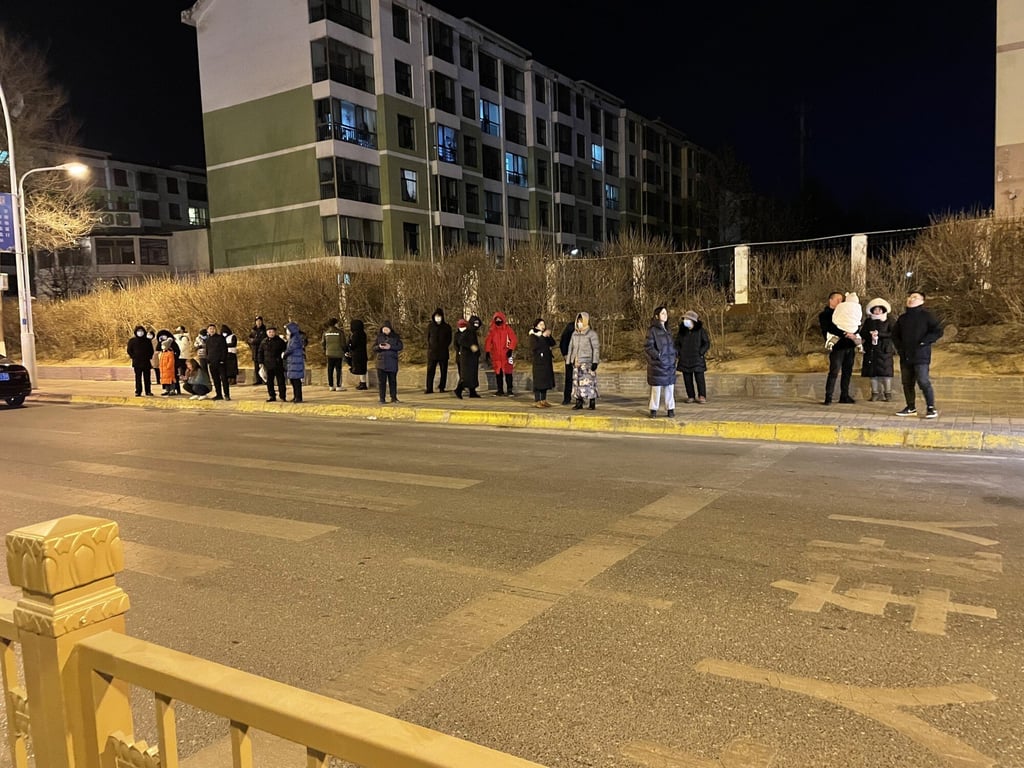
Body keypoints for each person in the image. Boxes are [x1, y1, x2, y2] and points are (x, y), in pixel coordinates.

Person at [893, 290, 943, 419]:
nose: (910, 299)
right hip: (905, 355)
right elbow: (895, 335)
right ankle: (910, 407)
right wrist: (900, 348)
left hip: (921, 355)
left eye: (914, 297)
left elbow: (937, 331)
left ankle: (931, 407)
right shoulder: (903, 318)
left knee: (923, 380)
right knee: (907, 382)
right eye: (909, 297)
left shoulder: (927, 316)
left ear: (922, 301)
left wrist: (924, 342)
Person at [819, 291, 859, 405]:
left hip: (849, 345)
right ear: (830, 300)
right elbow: (829, 328)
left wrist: (853, 333)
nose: (840, 302)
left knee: (847, 372)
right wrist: (845, 333)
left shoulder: (847, 313)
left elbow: (854, 323)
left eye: (841, 300)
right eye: (837, 300)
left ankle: (844, 395)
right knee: (834, 371)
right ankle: (828, 396)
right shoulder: (825, 314)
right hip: (837, 347)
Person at [860, 298, 896, 401]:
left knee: (886, 373)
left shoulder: (889, 320)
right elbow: (862, 333)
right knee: (872, 373)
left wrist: (879, 334)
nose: (877, 311)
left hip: (884, 349)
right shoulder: (868, 321)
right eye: (875, 309)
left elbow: (893, 333)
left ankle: (888, 393)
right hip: (871, 350)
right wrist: (870, 334)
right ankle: (874, 393)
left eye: (880, 309)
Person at [645, 306, 677, 418]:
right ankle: (653, 409)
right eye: (663, 313)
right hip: (658, 365)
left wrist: (674, 357)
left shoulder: (668, 330)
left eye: (666, 313)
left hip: (669, 364)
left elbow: (672, 346)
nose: (665, 315)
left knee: (670, 388)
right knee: (656, 389)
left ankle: (670, 409)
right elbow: (649, 347)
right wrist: (658, 356)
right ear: (657, 316)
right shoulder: (652, 330)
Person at [675, 309, 711, 404]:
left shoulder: (700, 331)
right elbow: (677, 344)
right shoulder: (682, 332)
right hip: (684, 358)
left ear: (693, 321)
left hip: (697, 358)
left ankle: (702, 396)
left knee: (699, 378)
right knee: (687, 379)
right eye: (684, 319)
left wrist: (701, 352)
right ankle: (690, 396)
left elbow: (706, 343)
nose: (685, 321)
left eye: (687, 319)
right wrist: (679, 352)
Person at [566, 311, 600, 410]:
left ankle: (592, 402)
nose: (579, 323)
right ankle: (578, 402)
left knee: (588, 382)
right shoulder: (574, 334)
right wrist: (569, 361)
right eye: (578, 321)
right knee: (576, 383)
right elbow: (570, 347)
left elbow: (596, 348)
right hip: (576, 362)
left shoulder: (591, 334)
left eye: (581, 321)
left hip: (587, 362)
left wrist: (595, 361)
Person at [484, 311, 518, 396]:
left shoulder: (507, 329)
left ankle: (509, 389)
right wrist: (487, 351)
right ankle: (500, 390)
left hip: (506, 354)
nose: (498, 321)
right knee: (498, 373)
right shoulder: (492, 330)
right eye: (497, 319)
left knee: (508, 372)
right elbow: (488, 341)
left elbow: (513, 339)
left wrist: (510, 349)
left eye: (500, 319)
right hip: (496, 355)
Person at [373, 320, 404, 403]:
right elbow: (374, 348)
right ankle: (382, 398)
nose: (385, 330)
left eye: (387, 329)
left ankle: (393, 397)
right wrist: (379, 347)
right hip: (381, 363)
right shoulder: (379, 337)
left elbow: (400, 346)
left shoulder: (395, 337)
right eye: (384, 329)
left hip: (392, 362)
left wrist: (390, 347)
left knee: (392, 381)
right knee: (381, 382)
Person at [529, 319, 556, 407]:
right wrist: (542, 336)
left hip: (546, 361)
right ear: (536, 325)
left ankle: (544, 399)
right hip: (538, 361)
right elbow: (535, 347)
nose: (542, 326)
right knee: (538, 380)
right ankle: (537, 400)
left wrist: (549, 336)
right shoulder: (533, 335)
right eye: (541, 324)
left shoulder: (545, 335)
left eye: (543, 324)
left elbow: (553, 343)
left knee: (545, 380)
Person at [454, 316, 483, 399]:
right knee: (467, 376)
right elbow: (461, 341)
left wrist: (477, 353)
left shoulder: (472, 332)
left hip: (472, 357)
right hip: (467, 357)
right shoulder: (468, 331)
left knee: (473, 375)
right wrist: (471, 346)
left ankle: (472, 392)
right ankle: (458, 390)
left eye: (477, 324)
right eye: (475, 323)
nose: (476, 325)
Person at [425, 308, 452, 394]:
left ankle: (442, 387)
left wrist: (444, 346)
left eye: (439, 316)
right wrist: (430, 346)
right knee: (430, 371)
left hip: (443, 352)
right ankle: (429, 388)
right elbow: (427, 337)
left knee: (443, 371)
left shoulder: (447, 327)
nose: (438, 318)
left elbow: (449, 339)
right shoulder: (430, 326)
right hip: (432, 352)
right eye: (436, 316)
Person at [259, 325, 287, 402]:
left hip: (278, 364)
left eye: (273, 332)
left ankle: (283, 395)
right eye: (269, 332)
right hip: (268, 364)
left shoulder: (280, 341)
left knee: (281, 381)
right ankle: (272, 395)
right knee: (269, 381)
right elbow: (260, 352)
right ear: (267, 332)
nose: (271, 333)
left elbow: (285, 350)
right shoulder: (264, 341)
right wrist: (260, 362)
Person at [204, 323, 230, 401]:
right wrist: (207, 359)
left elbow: (224, 350)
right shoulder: (208, 339)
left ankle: (227, 395)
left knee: (224, 379)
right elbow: (207, 351)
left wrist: (222, 359)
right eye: (210, 329)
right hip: (212, 362)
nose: (212, 330)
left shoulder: (220, 338)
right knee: (215, 379)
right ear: (208, 330)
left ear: (215, 329)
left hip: (220, 362)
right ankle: (219, 394)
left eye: (213, 328)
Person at [127, 325, 154, 397]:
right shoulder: (132, 341)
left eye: (141, 331)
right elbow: (129, 350)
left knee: (147, 378)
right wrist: (133, 357)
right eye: (138, 331)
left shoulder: (147, 341)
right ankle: (138, 391)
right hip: (137, 362)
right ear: (136, 332)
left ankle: (148, 391)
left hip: (146, 362)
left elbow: (151, 351)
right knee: (138, 378)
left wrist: (149, 357)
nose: (140, 333)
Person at [322, 318, 347, 392]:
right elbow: (343, 344)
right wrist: (345, 351)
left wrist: (325, 350)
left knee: (330, 370)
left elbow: (323, 343)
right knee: (338, 369)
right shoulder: (340, 332)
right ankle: (339, 386)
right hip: (338, 354)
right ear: (335, 324)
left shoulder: (325, 333)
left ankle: (331, 385)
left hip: (329, 354)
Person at [283, 322, 306, 403]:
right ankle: (296, 396)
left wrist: (284, 354)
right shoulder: (293, 338)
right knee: (293, 380)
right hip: (293, 361)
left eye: (287, 330)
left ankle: (298, 397)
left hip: (296, 361)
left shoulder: (295, 338)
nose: (287, 331)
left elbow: (291, 349)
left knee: (296, 380)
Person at [346, 318, 369, 390]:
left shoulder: (355, 334)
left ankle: (362, 383)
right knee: (363, 369)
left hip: (357, 354)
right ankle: (363, 383)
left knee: (358, 368)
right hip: (363, 353)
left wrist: (349, 343)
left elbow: (353, 345)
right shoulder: (363, 333)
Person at [559, 319, 575, 405]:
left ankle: (580, 398)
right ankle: (567, 398)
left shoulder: (586, 329)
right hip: (569, 356)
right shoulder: (570, 327)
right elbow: (563, 341)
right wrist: (565, 354)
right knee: (569, 378)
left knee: (580, 379)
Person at [247, 316, 268, 385]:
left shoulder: (264, 330)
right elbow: (249, 339)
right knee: (256, 366)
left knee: (263, 365)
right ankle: (258, 380)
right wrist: (252, 342)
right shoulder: (253, 330)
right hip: (255, 350)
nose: (258, 322)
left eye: (259, 321)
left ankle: (265, 379)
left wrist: (254, 341)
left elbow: (262, 340)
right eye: (257, 321)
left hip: (262, 350)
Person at [173, 326, 191, 392]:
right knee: (179, 369)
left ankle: (185, 379)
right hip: (178, 356)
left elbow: (183, 347)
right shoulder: (176, 338)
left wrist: (178, 352)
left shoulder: (184, 338)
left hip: (183, 356)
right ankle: (181, 379)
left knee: (183, 368)